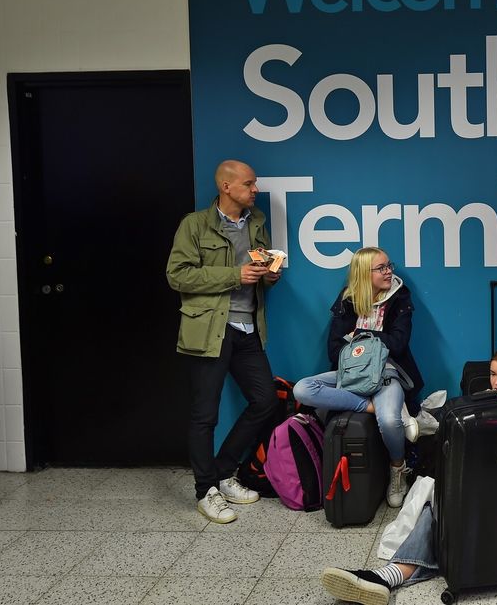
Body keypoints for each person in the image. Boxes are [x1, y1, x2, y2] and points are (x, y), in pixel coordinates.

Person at [318, 345, 497, 605]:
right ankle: (388, 577)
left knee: (434, 511)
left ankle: (389, 576)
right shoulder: (483, 407)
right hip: (491, 492)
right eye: (493, 374)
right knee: (438, 505)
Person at [166, 160, 280, 524]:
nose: (255, 190)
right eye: (249, 184)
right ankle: (205, 491)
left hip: (248, 328)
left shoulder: (256, 222)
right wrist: (236, 274)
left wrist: (268, 275)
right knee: (205, 414)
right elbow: (178, 276)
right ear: (227, 187)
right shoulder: (194, 225)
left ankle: (223, 473)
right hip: (210, 330)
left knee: (265, 400)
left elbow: (257, 273)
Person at [293, 247, 424, 508]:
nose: (388, 272)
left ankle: (397, 469)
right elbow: (334, 350)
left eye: (389, 266)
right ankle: (368, 406)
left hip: (388, 371)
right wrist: (367, 343)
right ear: (365, 273)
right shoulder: (348, 299)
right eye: (381, 268)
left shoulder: (400, 297)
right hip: (351, 374)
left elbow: (398, 344)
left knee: (388, 421)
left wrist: (359, 335)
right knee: (302, 388)